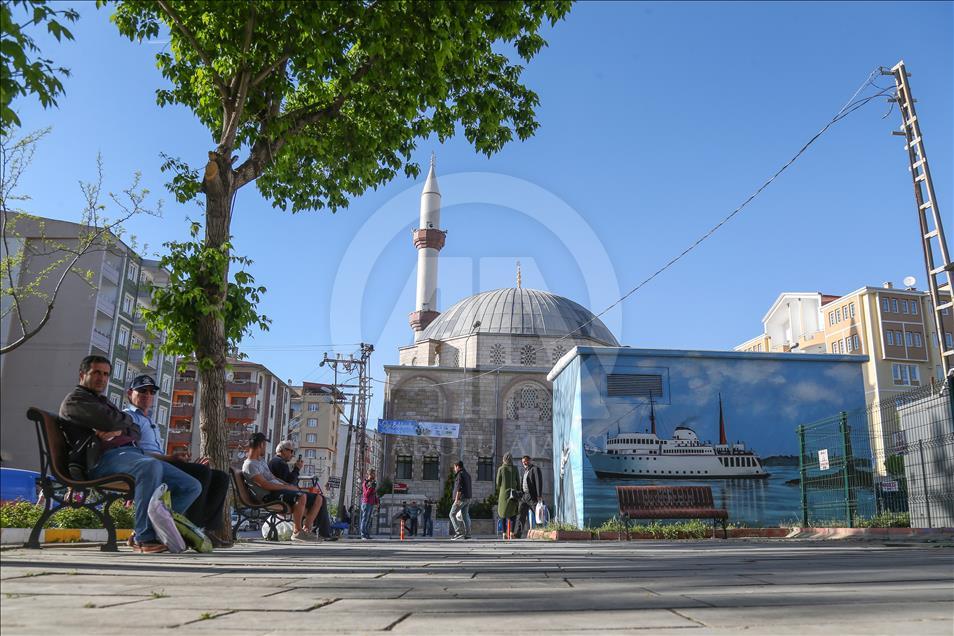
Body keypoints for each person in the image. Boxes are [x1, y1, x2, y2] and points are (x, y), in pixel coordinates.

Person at [59, 355, 202, 554]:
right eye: (96, 373)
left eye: (106, 374)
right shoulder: (76, 400)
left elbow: (134, 428)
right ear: (82, 374)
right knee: (150, 466)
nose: (102, 378)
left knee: (191, 485)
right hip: (101, 460)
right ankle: (144, 539)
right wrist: (120, 425)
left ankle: (151, 530)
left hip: (129, 455)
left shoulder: (102, 402)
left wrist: (119, 428)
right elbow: (117, 422)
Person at [124, 374, 231, 547]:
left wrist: (176, 459)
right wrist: (169, 458)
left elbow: (155, 451)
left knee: (220, 477)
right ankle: (191, 530)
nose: (147, 395)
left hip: (162, 463)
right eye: (142, 391)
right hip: (146, 466)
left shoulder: (150, 420)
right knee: (202, 473)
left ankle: (204, 529)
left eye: (151, 392)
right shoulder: (128, 417)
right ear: (130, 393)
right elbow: (135, 451)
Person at [241, 432, 322, 542]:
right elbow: (265, 484)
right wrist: (289, 488)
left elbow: (272, 477)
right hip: (269, 495)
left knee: (318, 498)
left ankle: (306, 530)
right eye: (265, 444)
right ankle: (297, 532)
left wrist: (287, 485)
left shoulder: (261, 462)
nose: (265, 447)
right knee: (300, 496)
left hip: (278, 491)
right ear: (260, 445)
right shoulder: (250, 465)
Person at [267, 442, 337, 541]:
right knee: (319, 499)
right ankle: (319, 532)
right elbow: (289, 482)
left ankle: (309, 530)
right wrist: (297, 469)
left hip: (286, 493)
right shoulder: (279, 462)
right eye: (291, 451)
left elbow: (287, 481)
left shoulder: (277, 462)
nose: (292, 454)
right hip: (284, 494)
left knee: (319, 498)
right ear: (283, 450)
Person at [515, 455, 544, 539]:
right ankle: (518, 533)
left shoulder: (535, 469)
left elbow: (539, 482)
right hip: (524, 496)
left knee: (537, 513)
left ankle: (541, 531)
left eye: (526, 461)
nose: (525, 463)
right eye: (523, 462)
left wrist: (539, 495)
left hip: (532, 496)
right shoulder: (525, 471)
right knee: (521, 515)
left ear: (530, 460)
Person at [495, 452, 520, 538]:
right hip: (513, 493)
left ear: (503, 459)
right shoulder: (515, 469)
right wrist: (518, 491)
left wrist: (501, 488)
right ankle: (512, 533)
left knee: (503, 513)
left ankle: (504, 533)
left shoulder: (501, 469)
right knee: (513, 513)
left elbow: (498, 483)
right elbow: (518, 481)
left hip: (503, 494)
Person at [450, 460, 472, 540]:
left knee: (451, 514)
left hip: (461, 498)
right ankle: (468, 534)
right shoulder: (467, 474)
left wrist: (456, 499)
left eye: (454, 467)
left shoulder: (460, 475)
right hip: (468, 498)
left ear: (458, 467)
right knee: (465, 516)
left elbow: (459, 488)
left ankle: (458, 532)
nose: (454, 469)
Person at [359, 469, 379, 540]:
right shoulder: (365, 483)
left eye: (374, 474)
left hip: (371, 503)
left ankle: (367, 534)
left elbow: (374, 494)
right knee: (365, 519)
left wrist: (377, 502)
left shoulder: (373, 482)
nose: (374, 475)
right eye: (373, 474)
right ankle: (363, 534)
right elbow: (366, 494)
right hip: (366, 503)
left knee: (369, 519)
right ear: (369, 475)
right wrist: (371, 488)